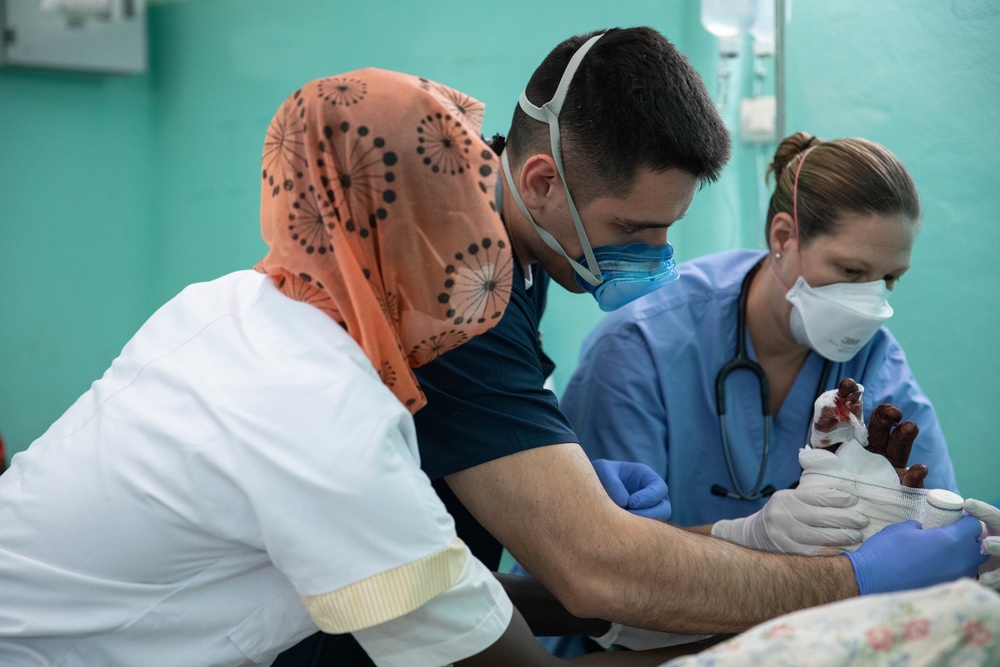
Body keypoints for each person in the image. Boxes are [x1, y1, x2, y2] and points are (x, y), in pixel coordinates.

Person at [277, 25, 992, 666]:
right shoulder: (458, 290)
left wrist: (757, 541)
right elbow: (597, 573)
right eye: (633, 229)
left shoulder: (515, 272)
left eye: (668, 228)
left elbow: (473, 586)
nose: (658, 257)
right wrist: (850, 579)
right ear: (540, 181)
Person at [0, 68, 681, 667]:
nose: (488, 243)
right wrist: (756, 629)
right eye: (460, 209)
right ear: (397, 235)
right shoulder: (329, 422)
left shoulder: (231, 309)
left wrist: (619, 611)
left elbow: (445, 590)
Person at [561, 132, 957, 546]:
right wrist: (744, 536)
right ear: (783, 237)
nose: (869, 303)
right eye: (851, 272)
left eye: (889, 279)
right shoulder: (644, 344)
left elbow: (936, 526)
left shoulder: (873, 362)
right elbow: (599, 550)